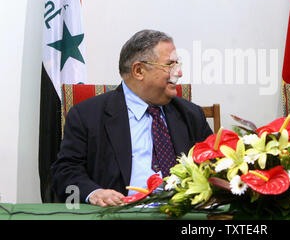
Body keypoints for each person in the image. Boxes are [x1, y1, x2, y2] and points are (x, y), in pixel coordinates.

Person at [51, 30, 213, 207]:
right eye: (170, 65)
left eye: (178, 64)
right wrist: (94, 193)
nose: (179, 72)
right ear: (139, 71)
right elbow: (65, 171)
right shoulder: (87, 115)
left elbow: (215, 165)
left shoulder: (191, 115)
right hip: (119, 214)